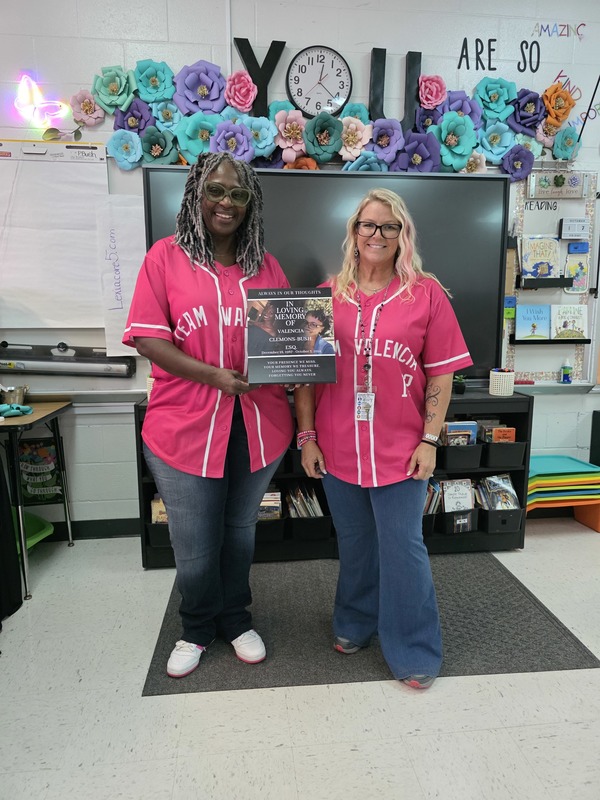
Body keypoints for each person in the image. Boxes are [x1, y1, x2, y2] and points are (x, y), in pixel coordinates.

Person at [123, 152, 294, 678]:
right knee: (195, 540)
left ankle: (235, 618)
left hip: (257, 426)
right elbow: (148, 339)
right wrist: (215, 376)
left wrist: (298, 357)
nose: (227, 202)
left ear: (251, 204)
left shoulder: (264, 264)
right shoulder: (165, 258)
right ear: (197, 194)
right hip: (184, 425)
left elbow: (291, 336)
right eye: (216, 191)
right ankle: (196, 627)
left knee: (240, 529)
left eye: (238, 194)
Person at [294, 188, 473, 690]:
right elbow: (306, 375)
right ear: (354, 232)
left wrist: (430, 440)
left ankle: (414, 648)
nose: (377, 235)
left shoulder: (427, 295)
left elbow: (440, 376)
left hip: (401, 449)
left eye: (389, 227)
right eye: (368, 225)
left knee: (403, 548)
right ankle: (354, 622)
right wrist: (307, 437)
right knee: (354, 544)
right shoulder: (325, 296)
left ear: (402, 236)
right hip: (337, 445)